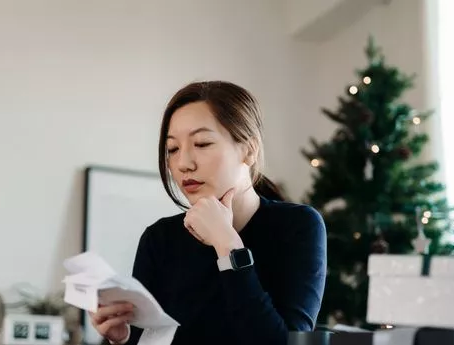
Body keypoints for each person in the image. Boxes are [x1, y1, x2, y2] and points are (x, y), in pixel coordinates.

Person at [88, 81, 327, 345]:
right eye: (173, 149)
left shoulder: (297, 226)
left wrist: (228, 246)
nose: (183, 164)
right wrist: (119, 340)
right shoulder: (160, 239)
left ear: (249, 149)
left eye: (201, 144)